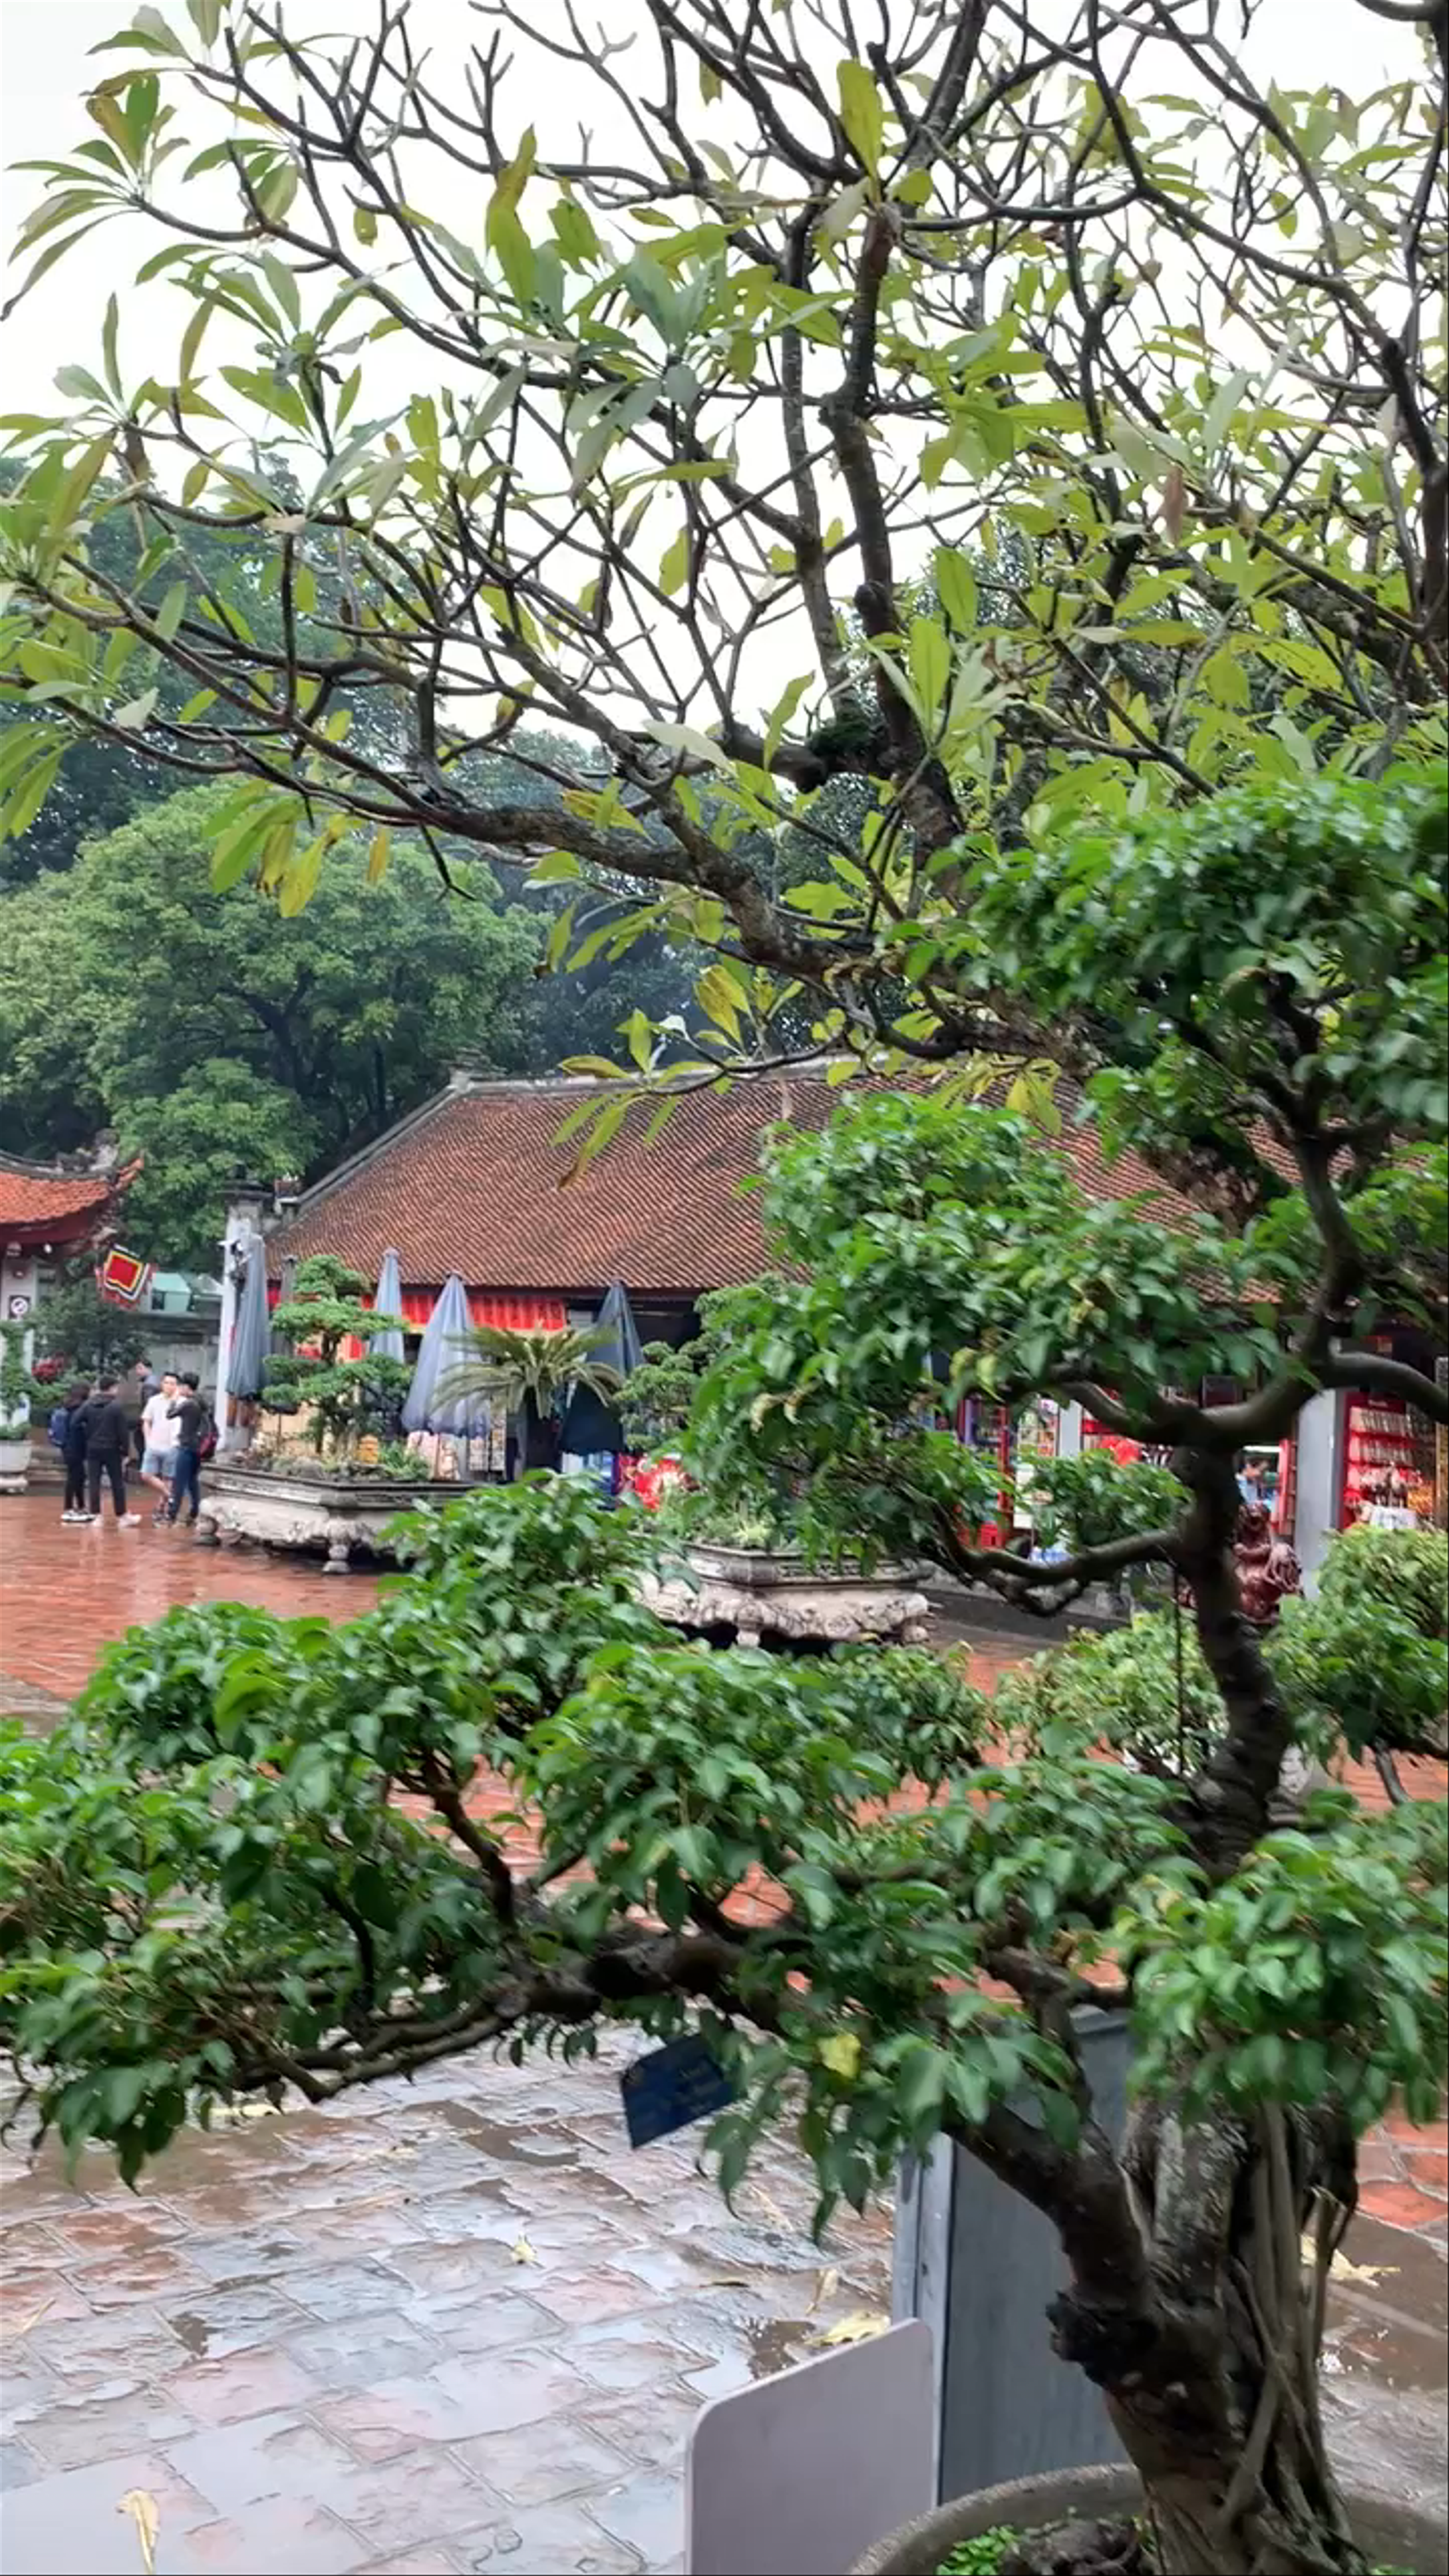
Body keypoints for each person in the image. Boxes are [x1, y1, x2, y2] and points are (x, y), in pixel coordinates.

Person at [78, 1375, 142, 1526]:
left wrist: (87, 1436)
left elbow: (76, 1423)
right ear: (112, 1388)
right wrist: (126, 1452)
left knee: (94, 1482)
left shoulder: (88, 1405)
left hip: (93, 1448)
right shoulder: (116, 1407)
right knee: (117, 1482)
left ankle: (97, 1516)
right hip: (112, 1449)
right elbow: (123, 1432)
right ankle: (122, 1516)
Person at [165, 1371, 206, 1525]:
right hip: (198, 1448)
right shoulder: (202, 1402)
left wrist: (174, 1400)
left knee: (179, 1483)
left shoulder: (188, 1404)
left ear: (187, 1387)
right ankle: (195, 1511)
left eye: (181, 1386)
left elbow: (169, 1415)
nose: (179, 1389)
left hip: (186, 1447)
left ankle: (172, 1515)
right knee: (192, 1481)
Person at [139, 1369, 180, 1521]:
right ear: (162, 1384)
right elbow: (146, 1421)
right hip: (154, 1444)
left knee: (168, 1478)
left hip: (173, 1446)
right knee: (146, 1475)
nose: (169, 1386)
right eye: (167, 1383)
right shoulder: (154, 1401)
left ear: (177, 1386)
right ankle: (171, 1497)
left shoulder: (181, 1403)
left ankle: (162, 1508)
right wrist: (148, 1440)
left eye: (173, 1384)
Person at [57, 1381, 94, 1523]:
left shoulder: (69, 1407)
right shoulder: (80, 1409)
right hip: (75, 1448)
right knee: (74, 1478)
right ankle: (69, 1509)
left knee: (79, 1477)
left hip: (69, 1448)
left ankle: (80, 1507)